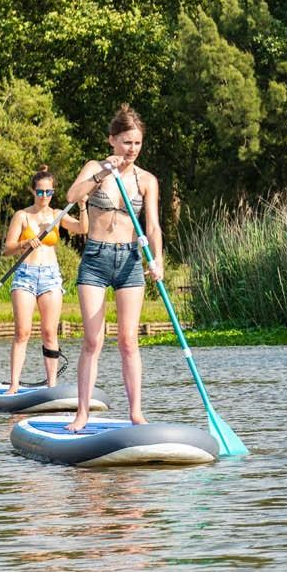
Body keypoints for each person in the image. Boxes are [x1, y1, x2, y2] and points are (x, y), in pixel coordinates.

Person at [64, 105, 163, 430]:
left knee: (128, 341)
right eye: (125, 142)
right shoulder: (95, 167)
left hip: (130, 260)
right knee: (93, 341)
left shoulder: (147, 179)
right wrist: (103, 172)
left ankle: (136, 413)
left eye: (136, 143)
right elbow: (72, 194)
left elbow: (153, 227)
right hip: (96, 258)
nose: (131, 149)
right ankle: (82, 414)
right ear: (112, 140)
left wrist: (157, 259)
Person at [3, 165, 87, 391]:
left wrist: (82, 206)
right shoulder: (22, 216)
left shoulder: (57, 214)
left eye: (48, 192)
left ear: (53, 192)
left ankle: (52, 385)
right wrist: (23, 243)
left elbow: (81, 228)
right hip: (25, 276)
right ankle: (13, 385)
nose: (44, 197)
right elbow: (7, 249)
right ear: (33, 191)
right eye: (40, 192)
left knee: (50, 332)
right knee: (23, 332)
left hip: (50, 276)